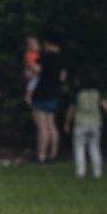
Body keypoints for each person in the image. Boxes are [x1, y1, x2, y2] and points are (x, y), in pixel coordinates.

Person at [63, 74, 107, 179]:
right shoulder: (97, 93)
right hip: (95, 124)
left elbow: (71, 110)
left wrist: (67, 123)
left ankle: (80, 172)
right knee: (94, 147)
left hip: (80, 124)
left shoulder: (78, 94)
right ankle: (97, 172)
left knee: (79, 147)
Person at [30, 33, 67, 163]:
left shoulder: (45, 57)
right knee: (52, 125)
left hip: (41, 95)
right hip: (53, 95)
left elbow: (35, 70)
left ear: (48, 44)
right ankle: (53, 154)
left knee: (42, 127)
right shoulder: (62, 59)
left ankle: (41, 155)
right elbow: (62, 77)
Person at [22, 35, 41, 104]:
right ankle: (28, 96)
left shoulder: (38, 54)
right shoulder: (30, 54)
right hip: (33, 74)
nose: (36, 45)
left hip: (35, 74)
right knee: (33, 82)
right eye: (33, 44)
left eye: (37, 44)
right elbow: (31, 64)